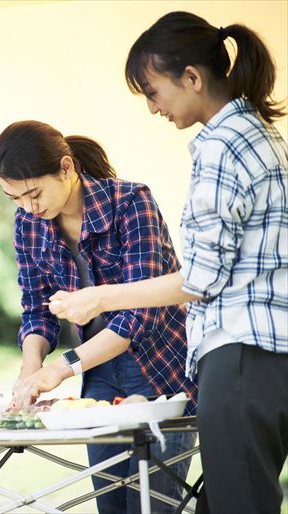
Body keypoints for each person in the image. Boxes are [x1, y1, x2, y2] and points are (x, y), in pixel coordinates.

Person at [48, 11, 288, 514]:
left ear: (193, 78)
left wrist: (102, 296)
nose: (153, 108)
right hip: (266, 353)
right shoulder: (257, 134)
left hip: (242, 352)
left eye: (153, 92)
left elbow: (201, 278)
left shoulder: (223, 146)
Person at [0, 120, 197, 513]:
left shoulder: (132, 202)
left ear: (66, 168)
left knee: (151, 505)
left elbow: (141, 316)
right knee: (111, 504)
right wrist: (30, 370)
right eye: (15, 198)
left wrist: (61, 369)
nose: (29, 207)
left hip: (158, 372)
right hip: (98, 376)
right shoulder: (28, 223)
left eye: (34, 193)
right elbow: (37, 307)